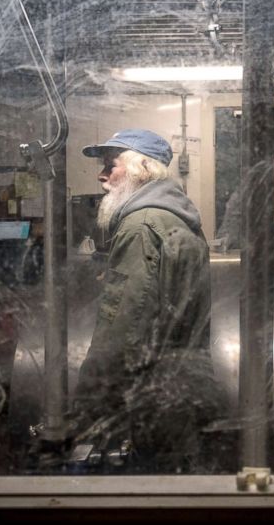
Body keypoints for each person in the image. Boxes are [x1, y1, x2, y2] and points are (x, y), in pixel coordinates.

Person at [72, 128, 226, 472]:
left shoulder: (141, 226)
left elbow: (123, 325)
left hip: (153, 401)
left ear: (143, 167)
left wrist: (85, 405)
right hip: (182, 391)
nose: (101, 175)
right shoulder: (179, 218)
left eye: (111, 164)